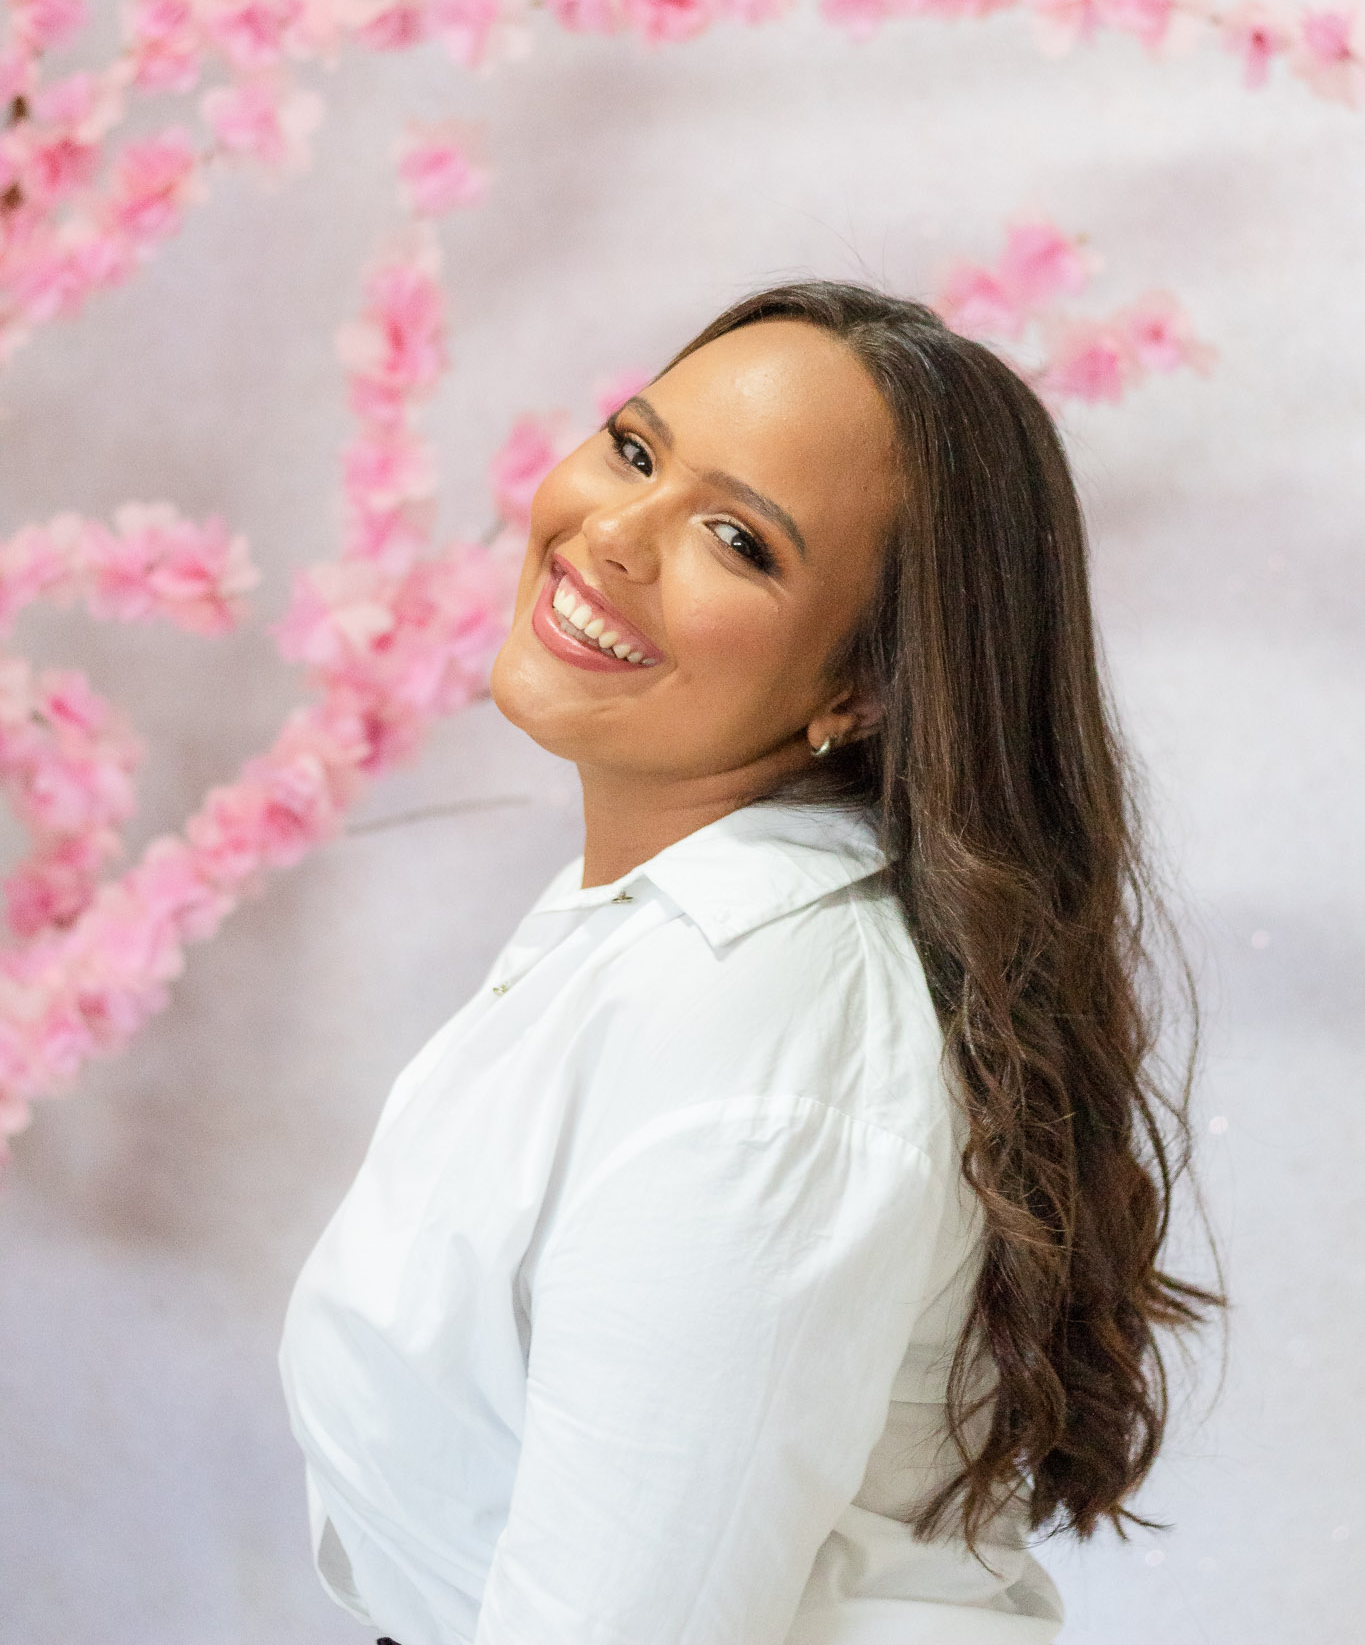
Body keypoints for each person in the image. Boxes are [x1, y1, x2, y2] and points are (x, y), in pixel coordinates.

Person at [278, 281, 1222, 1645]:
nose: (613, 534)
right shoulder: (664, 927)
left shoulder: (759, 1023)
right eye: (635, 450)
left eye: (737, 540)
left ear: (863, 689)